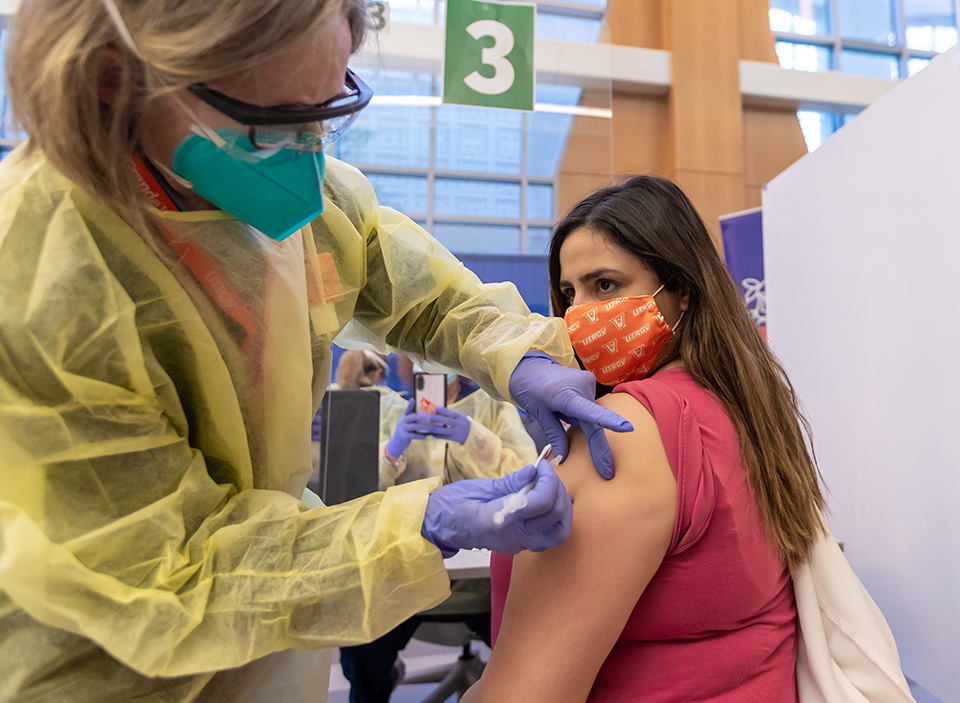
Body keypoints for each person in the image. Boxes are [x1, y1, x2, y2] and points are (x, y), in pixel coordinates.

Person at [0, 1, 633, 701]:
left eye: (326, 108)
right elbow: (172, 571)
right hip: (103, 666)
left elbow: (421, 292)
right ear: (115, 76)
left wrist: (519, 354)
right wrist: (420, 522)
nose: (309, 150)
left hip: (270, 652)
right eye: (276, 120)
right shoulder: (36, 278)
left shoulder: (301, 197)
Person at [462, 176, 827, 703]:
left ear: (680, 289)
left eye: (605, 285)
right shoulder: (750, 406)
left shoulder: (624, 431)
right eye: (569, 293)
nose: (580, 313)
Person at [337, 363, 538, 702]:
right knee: (361, 647)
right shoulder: (391, 410)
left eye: (437, 356)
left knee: (526, 651)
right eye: (418, 354)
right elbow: (353, 498)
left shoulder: (491, 407)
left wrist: (472, 438)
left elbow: (528, 478)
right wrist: (392, 448)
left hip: (480, 586)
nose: (428, 363)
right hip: (403, 581)